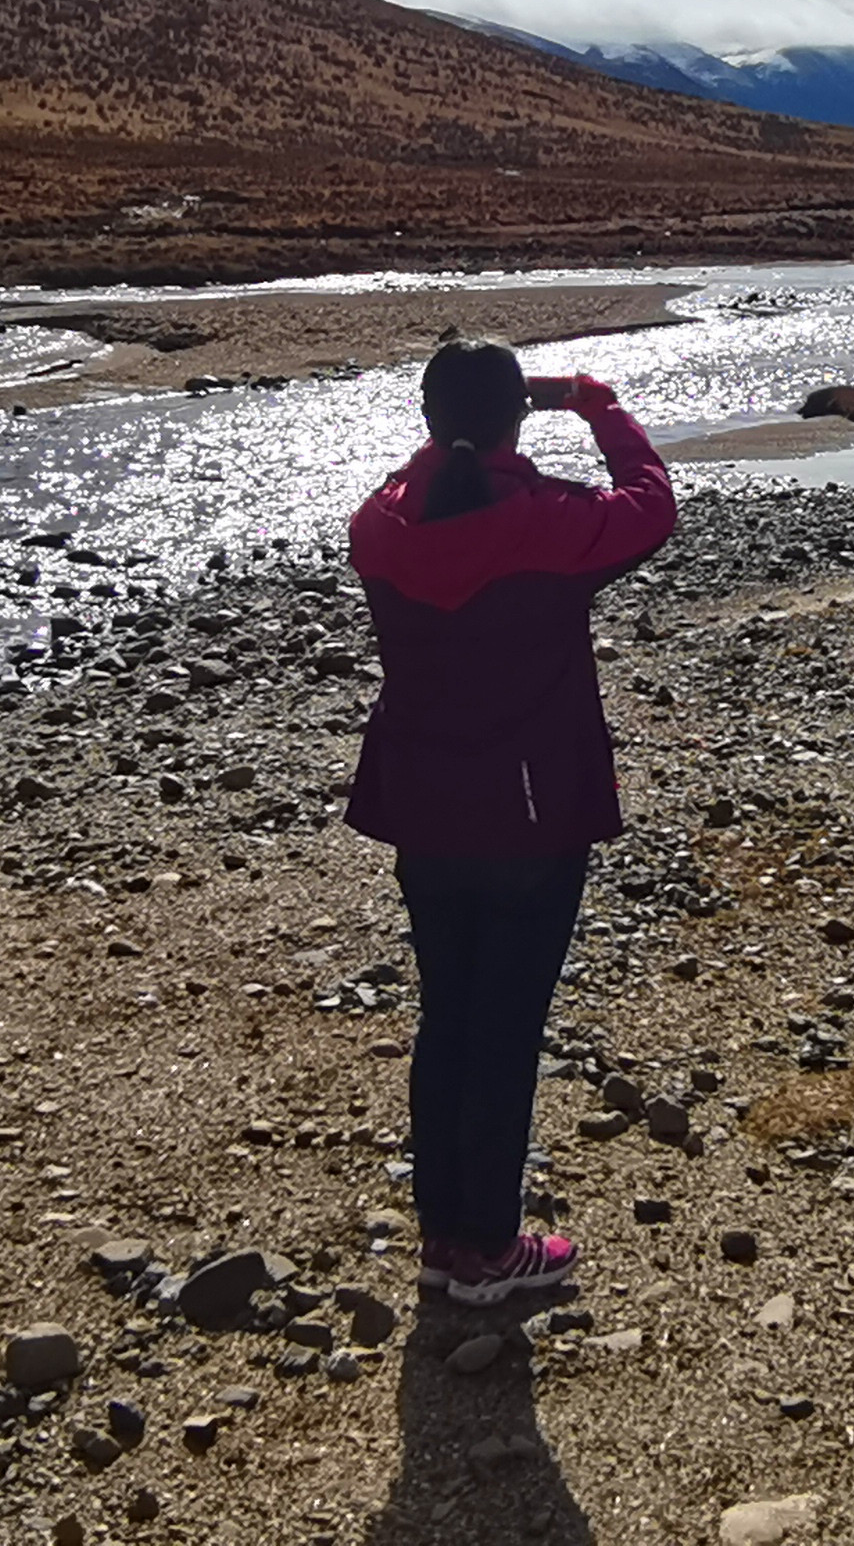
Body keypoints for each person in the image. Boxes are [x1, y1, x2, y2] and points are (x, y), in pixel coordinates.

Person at [344, 337, 676, 1306]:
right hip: (533, 813)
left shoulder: (379, 524)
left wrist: (488, 427)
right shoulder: (547, 525)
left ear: (426, 419)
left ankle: (447, 1238)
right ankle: (489, 1250)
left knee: (448, 1016)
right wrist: (597, 404)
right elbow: (652, 504)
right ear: (512, 419)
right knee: (504, 1029)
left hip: (421, 807)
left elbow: (437, 493)